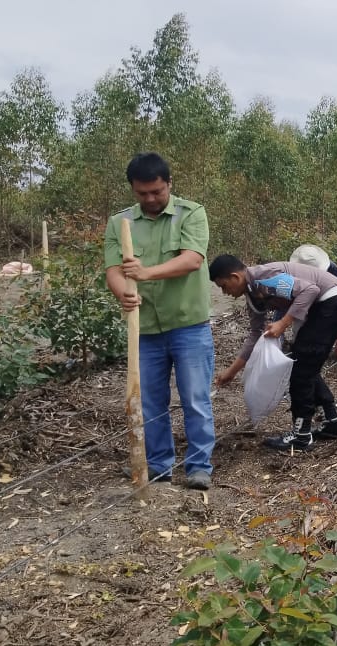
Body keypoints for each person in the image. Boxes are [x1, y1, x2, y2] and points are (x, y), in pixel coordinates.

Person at [104, 152, 216, 491]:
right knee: (149, 400)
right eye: (143, 194)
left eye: (157, 192)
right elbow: (113, 270)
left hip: (188, 325)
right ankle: (158, 465)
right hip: (146, 329)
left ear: (169, 184)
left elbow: (192, 260)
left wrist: (145, 273)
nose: (151, 199)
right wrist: (123, 292)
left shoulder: (191, 213)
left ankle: (199, 466)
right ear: (133, 190)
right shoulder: (119, 223)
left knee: (195, 398)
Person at [210, 254, 337, 451]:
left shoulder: (264, 280)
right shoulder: (253, 295)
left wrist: (283, 322)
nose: (225, 292)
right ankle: (333, 420)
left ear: (235, 277)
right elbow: (255, 334)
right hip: (329, 304)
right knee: (304, 363)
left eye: (223, 286)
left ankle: (301, 435)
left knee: (300, 369)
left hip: (332, 300)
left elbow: (309, 290)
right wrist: (232, 371)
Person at [289, 244, 337, 368]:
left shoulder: (329, 266)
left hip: (327, 298)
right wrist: (278, 326)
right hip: (305, 301)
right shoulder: (292, 273)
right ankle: (301, 346)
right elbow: (284, 301)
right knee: (300, 322)